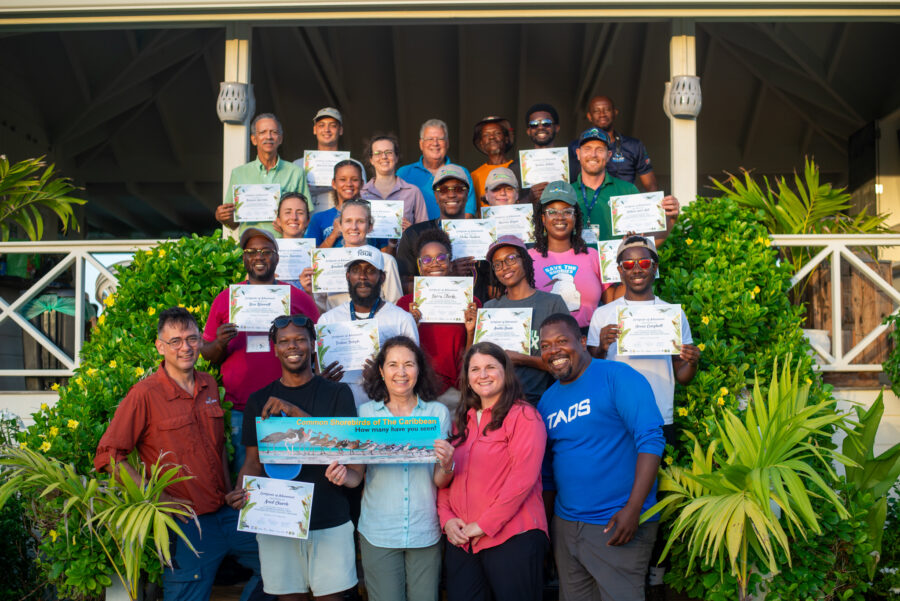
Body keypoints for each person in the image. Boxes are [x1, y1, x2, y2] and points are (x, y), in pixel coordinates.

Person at [95, 307, 263, 601]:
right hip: (187, 525)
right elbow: (109, 455)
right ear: (161, 346)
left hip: (226, 514)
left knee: (281, 566)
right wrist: (157, 500)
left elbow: (218, 447)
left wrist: (231, 490)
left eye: (192, 338)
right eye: (175, 341)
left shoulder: (209, 384)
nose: (185, 347)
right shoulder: (144, 394)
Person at [585, 235, 700, 596]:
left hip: (656, 415)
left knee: (650, 491)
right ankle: (609, 550)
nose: (637, 269)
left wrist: (690, 362)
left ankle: (650, 566)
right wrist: (601, 345)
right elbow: (588, 371)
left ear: (655, 268)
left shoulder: (673, 313)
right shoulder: (604, 315)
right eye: (629, 264)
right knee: (616, 484)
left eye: (644, 263)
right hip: (613, 417)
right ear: (618, 270)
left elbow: (682, 376)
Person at [226, 314, 359, 601]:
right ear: (274, 348)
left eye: (300, 339)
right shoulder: (259, 400)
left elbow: (347, 451)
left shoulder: (338, 393)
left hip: (329, 518)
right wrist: (241, 491)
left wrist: (295, 415)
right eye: (284, 341)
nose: (292, 346)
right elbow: (253, 462)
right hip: (279, 521)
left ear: (313, 344)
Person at [538, 313, 665, 601]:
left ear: (582, 342)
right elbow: (547, 473)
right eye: (545, 346)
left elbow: (652, 440)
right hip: (567, 526)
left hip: (617, 523)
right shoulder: (548, 400)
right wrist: (548, 530)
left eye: (561, 341)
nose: (553, 351)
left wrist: (634, 510)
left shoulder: (617, 377)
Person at [344, 336, 455, 601]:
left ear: (420, 370)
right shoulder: (365, 414)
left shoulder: (437, 413)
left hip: (424, 530)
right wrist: (342, 475)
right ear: (381, 371)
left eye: (409, 364)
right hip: (378, 531)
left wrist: (448, 463)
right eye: (393, 365)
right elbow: (356, 475)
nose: (401, 372)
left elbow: (440, 481)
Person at [200, 227, 320, 470]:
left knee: (292, 476)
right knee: (248, 480)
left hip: (291, 405)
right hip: (240, 410)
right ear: (244, 258)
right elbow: (207, 354)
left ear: (276, 257)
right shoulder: (225, 299)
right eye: (251, 251)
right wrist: (220, 343)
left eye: (266, 251)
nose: (259, 256)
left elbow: (319, 344)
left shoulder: (297, 298)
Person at [437, 342, 548, 601]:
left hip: (512, 538)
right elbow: (447, 475)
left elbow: (523, 479)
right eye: (475, 369)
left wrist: (483, 525)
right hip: (463, 541)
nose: (483, 375)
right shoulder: (460, 421)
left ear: (505, 372)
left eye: (490, 367)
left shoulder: (524, 416)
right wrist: (447, 519)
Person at [317, 245, 419, 407]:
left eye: (370, 270)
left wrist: (383, 374)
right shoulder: (328, 320)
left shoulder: (402, 319)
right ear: (348, 276)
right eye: (356, 270)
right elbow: (317, 373)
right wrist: (323, 380)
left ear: (382, 277)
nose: (362, 277)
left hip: (386, 408)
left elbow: (414, 371)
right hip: (339, 406)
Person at [396, 228, 480, 410]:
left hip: (459, 390)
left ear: (450, 263)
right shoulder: (405, 304)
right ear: (419, 265)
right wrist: (411, 325)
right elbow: (400, 353)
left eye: (441, 258)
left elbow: (478, 354)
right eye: (426, 259)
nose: (434, 264)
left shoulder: (471, 301)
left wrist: (471, 331)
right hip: (418, 390)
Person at [484, 236, 568, 404]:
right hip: (497, 403)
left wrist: (522, 359)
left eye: (511, 258)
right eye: (498, 264)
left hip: (541, 403)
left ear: (525, 260)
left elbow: (569, 361)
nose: (505, 267)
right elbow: (479, 362)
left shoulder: (552, 303)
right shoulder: (489, 308)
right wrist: (471, 331)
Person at [396, 164, 491, 301]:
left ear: (467, 194)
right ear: (436, 195)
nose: (451, 194)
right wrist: (448, 273)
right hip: (431, 314)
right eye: (444, 190)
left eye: (458, 189)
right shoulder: (414, 234)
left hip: (474, 311)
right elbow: (403, 284)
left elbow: (494, 285)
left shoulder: (485, 232)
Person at [573, 127, 680, 245]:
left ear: (609, 155)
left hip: (616, 263)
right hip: (576, 263)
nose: (593, 154)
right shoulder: (567, 193)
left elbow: (647, 243)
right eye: (587, 149)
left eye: (599, 150)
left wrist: (671, 218)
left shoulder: (627, 190)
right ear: (578, 154)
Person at [297, 199, 403, 312]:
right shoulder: (325, 260)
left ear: (370, 227)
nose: (354, 227)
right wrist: (309, 292)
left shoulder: (386, 261)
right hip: (336, 326)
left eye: (360, 221)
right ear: (340, 226)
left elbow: (395, 305)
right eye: (348, 221)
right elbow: (321, 310)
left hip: (376, 327)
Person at [529, 181, 607, 332]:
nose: (560, 217)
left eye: (567, 211)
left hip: (588, 341)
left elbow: (612, 302)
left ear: (575, 217)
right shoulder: (527, 259)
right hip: (544, 342)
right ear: (543, 218)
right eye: (552, 212)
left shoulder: (593, 256)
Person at [217, 113, 310, 234]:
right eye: (262, 132)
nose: (269, 136)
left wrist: (290, 227)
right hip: (251, 246)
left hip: (284, 245)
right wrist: (222, 217)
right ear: (254, 139)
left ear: (280, 139)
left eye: (274, 132)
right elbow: (234, 223)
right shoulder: (239, 173)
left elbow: (307, 217)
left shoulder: (295, 172)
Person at [569, 95, 658, 191]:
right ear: (589, 116)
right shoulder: (575, 147)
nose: (602, 114)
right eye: (596, 111)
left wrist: (656, 204)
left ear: (615, 113)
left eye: (607, 110)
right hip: (588, 202)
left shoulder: (633, 145)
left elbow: (650, 185)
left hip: (625, 202)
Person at [396, 119, 477, 219]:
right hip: (416, 233)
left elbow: (468, 213)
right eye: (430, 139)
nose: (435, 143)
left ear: (447, 143)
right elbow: (396, 211)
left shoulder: (462, 173)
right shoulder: (403, 173)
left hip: (451, 233)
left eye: (440, 139)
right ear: (421, 144)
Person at [361, 133, 429, 233]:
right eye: (377, 153)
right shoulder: (361, 193)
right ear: (371, 160)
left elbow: (425, 232)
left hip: (403, 248)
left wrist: (412, 230)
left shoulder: (413, 192)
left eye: (389, 152)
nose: (384, 156)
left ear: (396, 157)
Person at [294, 107, 346, 214]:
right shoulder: (297, 166)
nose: (326, 130)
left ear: (340, 130)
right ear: (314, 130)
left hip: (342, 222)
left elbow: (360, 200)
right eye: (321, 125)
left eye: (333, 126)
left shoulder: (352, 165)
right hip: (308, 225)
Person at [305, 159, 367, 247]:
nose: (349, 184)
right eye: (343, 179)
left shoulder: (371, 216)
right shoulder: (319, 218)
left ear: (362, 184)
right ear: (334, 183)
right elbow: (312, 257)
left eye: (355, 179)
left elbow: (384, 256)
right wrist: (333, 235)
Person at [469, 116, 521, 208]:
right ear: (481, 142)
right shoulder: (474, 176)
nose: (492, 137)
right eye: (486, 135)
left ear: (506, 138)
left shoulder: (520, 168)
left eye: (497, 133)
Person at [521, 103, 562, 204]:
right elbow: (512, 206)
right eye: (534, 124)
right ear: (528, 131)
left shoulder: (572, 163)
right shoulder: (517, 167)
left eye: (546, 123)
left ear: (557, 127)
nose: (540, 127)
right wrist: (529, 198)